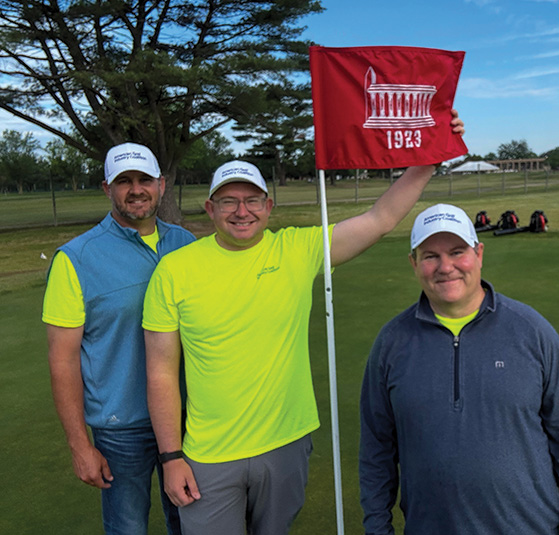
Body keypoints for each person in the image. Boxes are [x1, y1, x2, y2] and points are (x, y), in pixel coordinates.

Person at [142, 112, 465, 535]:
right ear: (210, 208)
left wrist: (428, 159)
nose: (242, 211)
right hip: (208, 454)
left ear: (268, 206)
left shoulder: (296, 248)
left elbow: (380, 219)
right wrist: (170, 457)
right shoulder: (175, 269)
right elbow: (161, 370)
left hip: (285, 445)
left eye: (253, 200)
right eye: (228, 201)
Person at [359, 203, 559, 535]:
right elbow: (376, 452)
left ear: (478, 253)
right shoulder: (392, 343)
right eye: (430, 256)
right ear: (414, 262)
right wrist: (377, 529)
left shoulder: (532, 331)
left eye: (457, 252)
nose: (445, 267)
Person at [43, 142, 195, 534]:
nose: (136, 189)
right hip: (121, 428)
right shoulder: (75, 258)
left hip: (187, 416)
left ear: (161, 184)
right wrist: (79, 445)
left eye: (144, 179)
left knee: (191, 521)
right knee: (128, 528)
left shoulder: (185, 245)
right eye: (123, 181)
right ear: (106, 188)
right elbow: (63, 361)